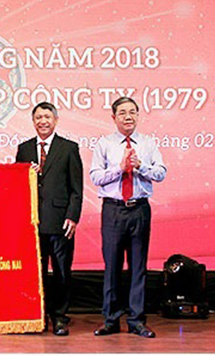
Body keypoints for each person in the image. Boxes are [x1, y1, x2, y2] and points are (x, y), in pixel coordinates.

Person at [90, 96, 167, 338]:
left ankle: (136, 321)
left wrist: (141, 166)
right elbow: (95, 177)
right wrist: (119, 169)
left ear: (138, 115)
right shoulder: (104, 144)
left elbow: (161, 173)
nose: (128, 117)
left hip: (139, 209)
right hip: (113, 209)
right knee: (112, 266)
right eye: (123, 112)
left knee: (138, 266)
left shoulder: (147, 143)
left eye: (132, 112)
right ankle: (111, 320)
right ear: (114, 117)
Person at [16, 102, 83, 336]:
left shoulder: (69, 148)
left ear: (55, 120)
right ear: (33, 122)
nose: (42, 121)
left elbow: (76, 189)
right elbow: (17, 185)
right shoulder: (24, 149)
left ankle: (60, 317)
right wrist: (28, 175)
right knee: (38, 273)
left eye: (47, 117)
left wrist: (72, 217)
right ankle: (40, 316)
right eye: (38, 117)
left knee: (62, 271)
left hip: (61, 222)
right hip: (33, 223)